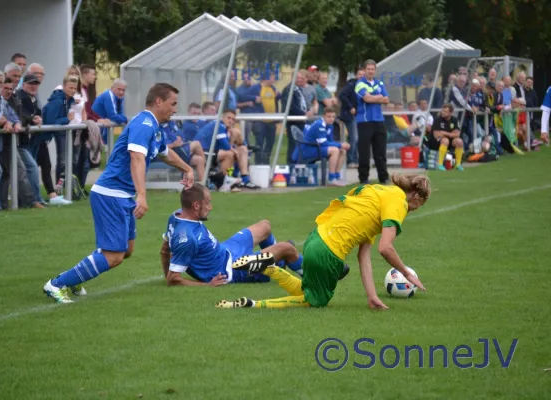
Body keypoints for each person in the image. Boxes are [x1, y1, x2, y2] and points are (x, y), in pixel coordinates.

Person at [43, 83, 195, 304]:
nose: (175, 109)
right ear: (159, 102)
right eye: (173, 104)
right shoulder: (144, 124)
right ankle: (56, 284)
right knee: (113, 255)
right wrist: (142, 195)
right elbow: (136, 158)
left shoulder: (154, 127)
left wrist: (187, 169)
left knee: (126, 250)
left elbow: (165, 154)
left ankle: (77, 278)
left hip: (122, 195)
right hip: (110, 194)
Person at [216, 173, 430, 310]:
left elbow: (364, 255)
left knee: (307, 290)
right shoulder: (399, 202)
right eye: (417, 206)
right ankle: (252, 304)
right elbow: (386, 248)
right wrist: (406, 272)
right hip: (330, 252)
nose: (412, 210)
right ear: (416, 197)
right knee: (314, 301)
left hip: (314, 239)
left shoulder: (377, 192)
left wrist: (371, 296)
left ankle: (269, 268)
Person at [160, 183, 305, 286]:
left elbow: (164, 250)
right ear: (196, 206)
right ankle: (317, 280)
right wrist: (208, 285)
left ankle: (278, 263)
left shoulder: (176, 216)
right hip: (233, 269)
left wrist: (167, 273)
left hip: (227, 251)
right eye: (208, 203)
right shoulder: (187, 239)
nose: (210, 207)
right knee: (287, 248)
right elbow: (174, 279)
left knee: (264, 226)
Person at [293, 107, 349, 186]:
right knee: (335, 150)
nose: (331, 119)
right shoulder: (319, 124)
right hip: (307, 150)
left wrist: (340, 146)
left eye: (333, 117)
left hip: (316, 147)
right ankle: (332, 179)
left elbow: (330, 141)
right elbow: (323, 143)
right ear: (323, 116)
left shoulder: (330, 126)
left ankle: (336, 176)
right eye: (329, 117)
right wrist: (340, 144)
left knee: (342, 150)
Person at [355, 59, 390, 184]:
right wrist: (378, 97)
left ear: (375, 70)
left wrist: (374, 97)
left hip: (379, 121)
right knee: (364, 151)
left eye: (372, 69)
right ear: (364, 70)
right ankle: (364, 178)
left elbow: (386, 99)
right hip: (365, 121)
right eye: (368, 69)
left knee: (380, 151)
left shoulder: (379, 83)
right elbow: (367, 98)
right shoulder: (360, 83)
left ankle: (383, 177)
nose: (370, 71)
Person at [425, 104, 464, 171]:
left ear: (450, 113)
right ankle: (440, 165)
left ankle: (458, 164)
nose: (443, 113)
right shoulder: (437, 119)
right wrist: (451, 134)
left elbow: (457, 134)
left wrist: (444, 133)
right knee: (445, 140)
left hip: (449, 140)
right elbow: (436, 135)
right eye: (442, 111)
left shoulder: (454, 120)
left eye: (445, 111)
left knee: (459, 141)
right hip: (435, 142)